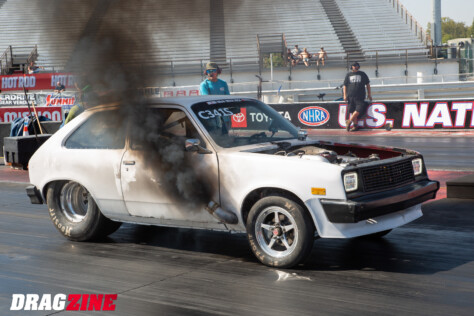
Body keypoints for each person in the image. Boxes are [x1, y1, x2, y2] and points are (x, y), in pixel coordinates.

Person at [343, 62, 372, 132]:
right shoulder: (348, 75)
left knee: (358, 110)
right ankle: (355, 126)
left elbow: (367, 84)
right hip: (350, 96)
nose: (356, 67)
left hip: (360, 96)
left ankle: (349, 121)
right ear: (351, 67)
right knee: (352, 111)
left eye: (357, 66)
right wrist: (344, 95)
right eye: (354, 66)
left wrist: (369, 94)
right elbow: (345, 85)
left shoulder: (362, 74)